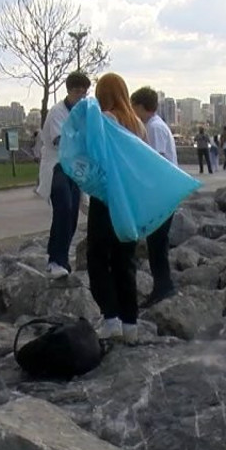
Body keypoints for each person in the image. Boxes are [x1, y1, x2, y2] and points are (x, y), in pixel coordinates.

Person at [89, 73, 146, 342]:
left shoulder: (106, 120)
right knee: (126, 262)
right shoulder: (138, 125)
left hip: (108, 200)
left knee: (98, 260)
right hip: (131, 203)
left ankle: (110, 320)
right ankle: (131, 324)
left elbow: (95, 156)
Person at [37, 71, 91, 279]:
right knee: (64, 209)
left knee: (73, 216)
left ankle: (63, 259)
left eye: (84, 91)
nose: (81, 95)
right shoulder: (58, 112)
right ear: (69, 90)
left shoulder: (83, 112)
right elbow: (62, 141)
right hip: (58, 166)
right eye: (77, 91)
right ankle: (54, 260)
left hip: (74, 169)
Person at [131, 86, 179, 307]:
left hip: (162, 196)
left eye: (133, 107)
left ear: (141, 107)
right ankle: (162, 285)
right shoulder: (153, 126)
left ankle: (163, 286)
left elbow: (156, 161)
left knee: (157, 244)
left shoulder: (154, 128)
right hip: (161, 195)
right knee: (156, 243)